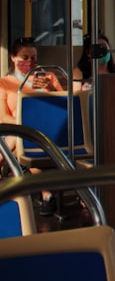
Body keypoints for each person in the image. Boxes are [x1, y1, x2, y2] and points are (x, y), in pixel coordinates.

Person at [0, 36, 66, 215]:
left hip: (49, 130)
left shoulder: (48, 77)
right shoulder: (5, 83)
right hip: (19, 130)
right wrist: (25, 124)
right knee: (22, 138)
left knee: (27, 140)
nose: (30, 62)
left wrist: (50, 90)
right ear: (13, 58)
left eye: (33, 58)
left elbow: (65, 107)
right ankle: (47, 195)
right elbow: (3, 116)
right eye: (25, 58)